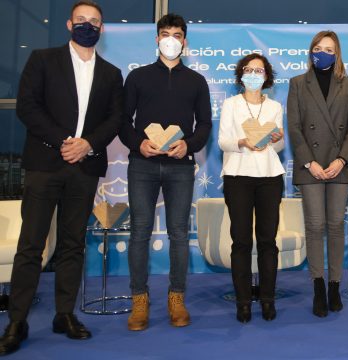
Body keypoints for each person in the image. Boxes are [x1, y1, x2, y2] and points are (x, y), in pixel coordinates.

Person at [0, 1, 123, 355]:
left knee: (72, 244)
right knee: (31, 245)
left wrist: (87, 145)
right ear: (70, 24)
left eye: (95, 21)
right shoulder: (42, 59)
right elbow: (27, 106)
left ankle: (64, 314)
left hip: (84, 168)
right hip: (45, 164)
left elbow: (114, 119)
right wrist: (64, 142)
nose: (88, 25)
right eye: (81, 20)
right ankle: (17, 320)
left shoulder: (111, 73)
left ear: (103, 29)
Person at [119, 13, 211, 331]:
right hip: (142, 165)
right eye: (165, 33)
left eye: (177, 34)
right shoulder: (138, 77)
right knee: (140, 232)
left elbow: (205, 126)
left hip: (180, 167)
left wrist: (189, 145)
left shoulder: (196, 82)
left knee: (179, 234)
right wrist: (138, 143)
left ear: (184, 41)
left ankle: (176, 298)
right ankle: (139, 300)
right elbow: (122, 121)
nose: (171, 39)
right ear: (157, 39)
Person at [287, 31, 348, 318]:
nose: (323, 52)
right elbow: (294, 127)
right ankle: (318, 286)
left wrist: (342, 159)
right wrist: (309, 162)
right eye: (318, 48)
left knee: (336, 224)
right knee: (315, 225)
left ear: (337, 52)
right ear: (311, 51)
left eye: (329, 48)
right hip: (311, 166)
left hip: (338, 164)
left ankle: (334, 286)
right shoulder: (297, 84)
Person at [218, 54, 285, 323]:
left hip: (269, 176)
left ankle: (268, 300)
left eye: (259, 70)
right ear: (241, 75)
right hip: (238, 176)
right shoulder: (230, 104)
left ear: (267, 76)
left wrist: (276, 139)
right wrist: (243, 141)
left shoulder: (275, 107)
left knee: (268, 241)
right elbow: (223, 141)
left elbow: (278, 146)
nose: (254, 74)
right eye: (249, 70)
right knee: (242, 241)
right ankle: (243, 302)